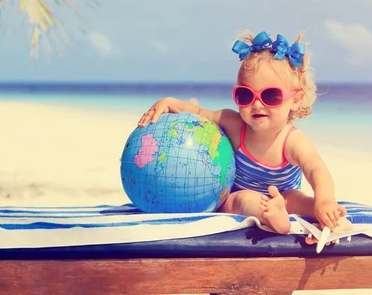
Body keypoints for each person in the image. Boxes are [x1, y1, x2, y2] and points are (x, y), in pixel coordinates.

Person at [137, 30, 352, 237]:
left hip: (283, 196)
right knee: (239, 201)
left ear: (295, 100)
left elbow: (316, 169)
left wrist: (325, 200)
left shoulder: (292, 141)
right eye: (245, 95)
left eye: (271, 96)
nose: (257, 104)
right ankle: (273, 218)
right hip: (239, 194)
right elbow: (201, 112)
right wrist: (171, 102)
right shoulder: (235, 124)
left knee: (299, 200)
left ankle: (330, 218)